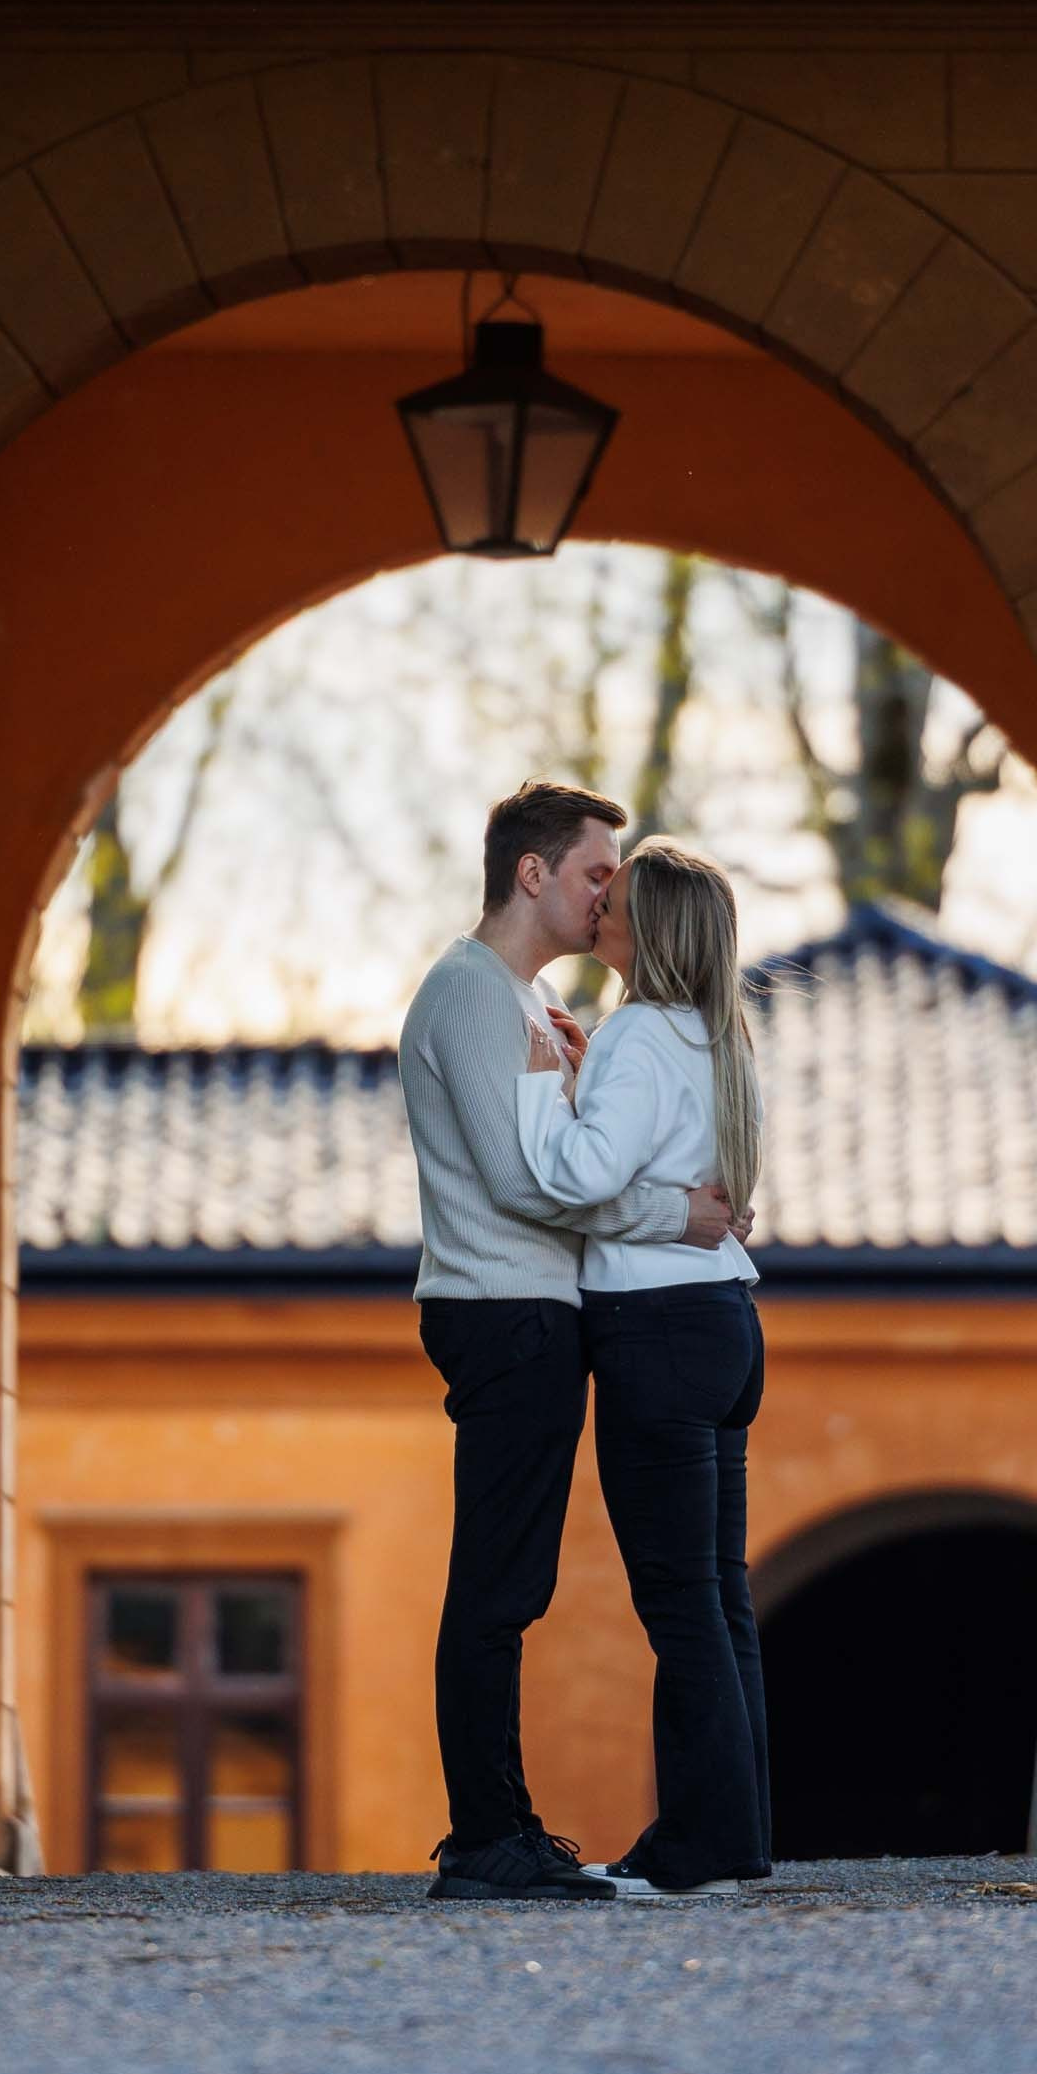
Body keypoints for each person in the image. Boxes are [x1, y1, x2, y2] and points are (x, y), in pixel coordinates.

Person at [400, 782, 742, 1904]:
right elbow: (523, 1180)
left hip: (538, 1314)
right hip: (502, 1311)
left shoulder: (526, 1004)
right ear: (533, 874)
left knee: (519, 1583)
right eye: (598, 872)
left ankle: (503, 1829)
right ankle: (488, 1837)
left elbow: (567, 1156)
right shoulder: (470, 993)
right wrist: (675, 1216)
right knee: (499, 1587)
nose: (610, 896)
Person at [516, 838, 768, 1899]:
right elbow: (664, 1172)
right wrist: (586, 1077)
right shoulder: (718, 1041)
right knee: (722, 1595)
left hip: (653, 1331)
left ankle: (700, 1844)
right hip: (725, 1325)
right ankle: (737, 1835)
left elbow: (577, 1178)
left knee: (678, 1604)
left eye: (616, 899)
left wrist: (541, 1091)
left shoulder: (635, 1036)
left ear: (647, 929)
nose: (598, 907)